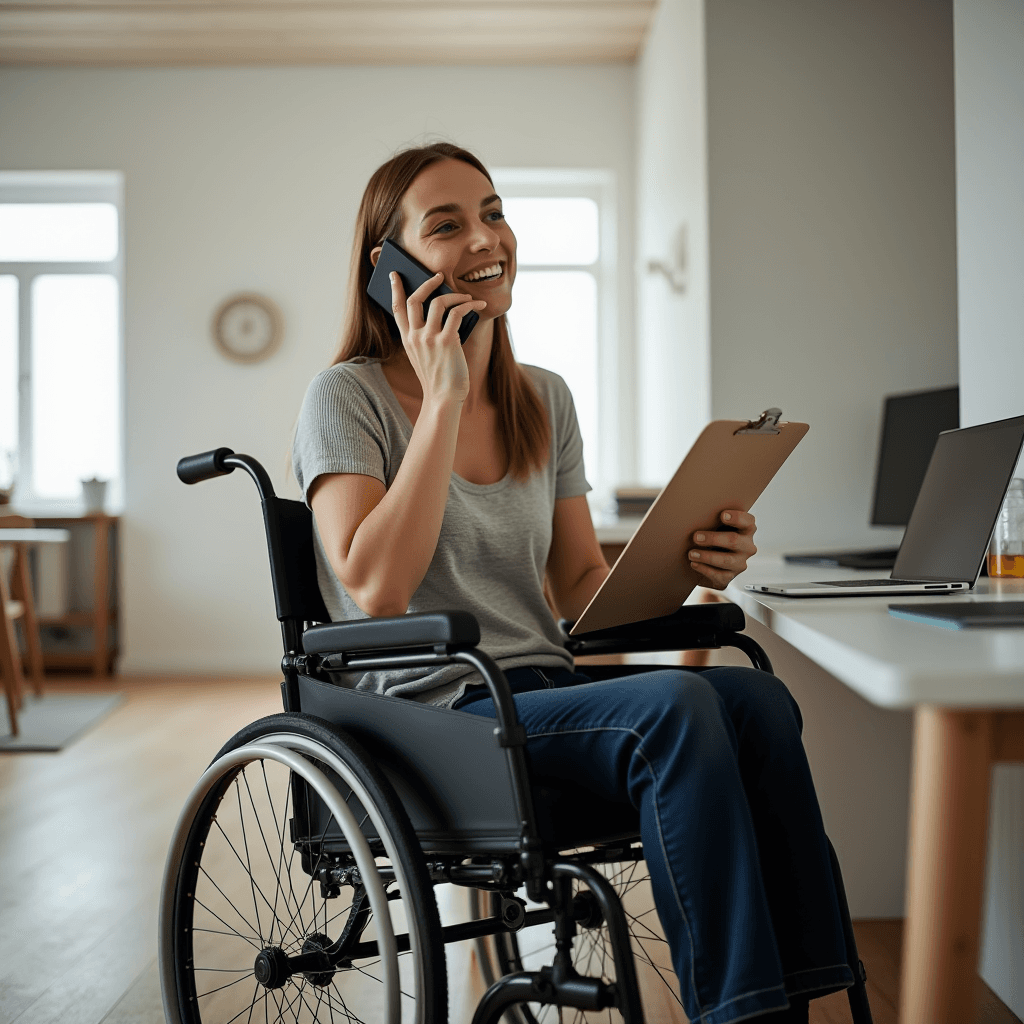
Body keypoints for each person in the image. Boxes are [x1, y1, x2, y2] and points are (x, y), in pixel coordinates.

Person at [292, 142, 854, 1024]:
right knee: (677, 710)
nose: (486, 238)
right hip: (431, 718)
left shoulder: (541, 400)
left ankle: (808, 989)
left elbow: (580, 586)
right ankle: (740, 1013)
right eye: (446, 226)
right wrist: (440, 402)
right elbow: (377, 590)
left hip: (539, 697)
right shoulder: (346, 397)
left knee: (755, 703)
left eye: (493, 212)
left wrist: (691, 566)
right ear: (388, 269)